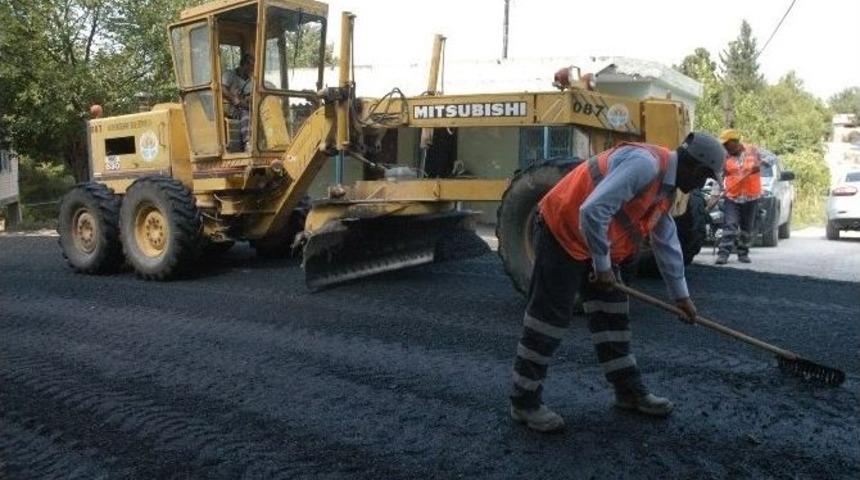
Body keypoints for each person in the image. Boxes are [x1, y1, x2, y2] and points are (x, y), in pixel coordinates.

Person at [509, 132, 726, 433]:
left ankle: (628, 392)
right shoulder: (645, 166)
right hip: (565, 231)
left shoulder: (666, 187)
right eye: (704, 177)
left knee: (613, 319)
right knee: (548, 320)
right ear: (694, 166)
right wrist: (603, 265)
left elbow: (666, 241)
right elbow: (591, 209)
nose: (702, 186)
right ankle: (524, 402)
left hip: (596, 241)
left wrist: (681, 297)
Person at [710, 129, 774, 264]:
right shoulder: (724, 157)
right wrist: (714, 196)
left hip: (751, 197)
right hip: (732, 197)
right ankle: (723, 254)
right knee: (730, 225)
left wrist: (760, 164)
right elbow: (719, 177)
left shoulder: (753, 150)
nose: (725, 147)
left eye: (727, 144)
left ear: (735, 142)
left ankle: (743, 253)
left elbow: (772, 159)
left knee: (747, 227)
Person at [222, 53, 254, 150]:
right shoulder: (230, 75)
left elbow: (249, 95)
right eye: (250, 67)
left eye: (252, 67)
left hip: (243, 106)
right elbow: (222, 88)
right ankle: (248, 142)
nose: (251, 70)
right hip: (230, 108)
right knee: (246, 113)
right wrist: (234, 99)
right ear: (243, 65)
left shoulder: (250, 81)